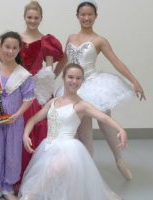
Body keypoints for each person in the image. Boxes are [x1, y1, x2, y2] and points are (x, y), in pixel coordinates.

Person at [54, 0, 146, 180]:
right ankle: (86, 168)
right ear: (77, 16)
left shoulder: (100, 40)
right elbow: (64, 61)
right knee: (83, 128)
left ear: (95, 16)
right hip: (75, 86)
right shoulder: (71, 37)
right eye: (83, 14)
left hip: (94, 85)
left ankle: (119, 160)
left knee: (105, 123)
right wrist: (51, 77)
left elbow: (116, 61)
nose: (86, 18)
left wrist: (134, 81)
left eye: (90, 14)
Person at [19, 63, 127, 200]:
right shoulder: (53, 102)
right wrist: (25, 135)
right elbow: (33, 120)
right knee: (48, 177)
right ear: (63, 78)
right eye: (70, 77)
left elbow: (104, 117)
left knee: (53, 169)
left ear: (82, 81)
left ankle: (29, 196)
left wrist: (120, 129)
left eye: (78, 78)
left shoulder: (82, 105)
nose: (74, 81)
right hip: (48, 146)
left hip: (68, 149)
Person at [0, 31, 34, 200]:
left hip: (14, 119)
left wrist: (17, 115)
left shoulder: (24, 75)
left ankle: (8, 187)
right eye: (7, 47)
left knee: (12, 152)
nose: (10, 51)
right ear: (1, 47)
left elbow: (28, 98)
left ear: (19, 50)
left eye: (14, 48)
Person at [18, 0, 64, 186]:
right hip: (20, 88)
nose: (32, 20)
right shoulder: (16, 39)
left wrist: (43, 87)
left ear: (41, 18)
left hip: (39, 91)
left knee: (42, 128)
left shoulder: (47, 41)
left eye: (36, 17)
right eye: (29, 17)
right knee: (20, 128)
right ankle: (20, 174)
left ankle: (42, 175)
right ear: (24, 17)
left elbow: (49, 69)